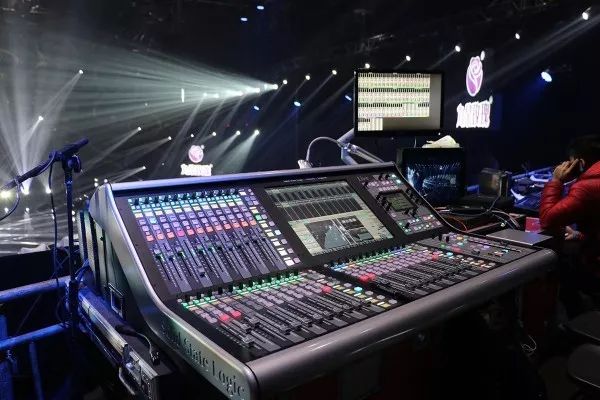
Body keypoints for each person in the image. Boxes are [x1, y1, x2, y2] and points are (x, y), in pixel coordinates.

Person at [540, 135, 600, 315]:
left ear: (580, 163)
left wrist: (556, 181)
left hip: (595, 269)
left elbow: (548, 219)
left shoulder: (586, 187)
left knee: (557, 266)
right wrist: (581, 235)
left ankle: (575, 323)